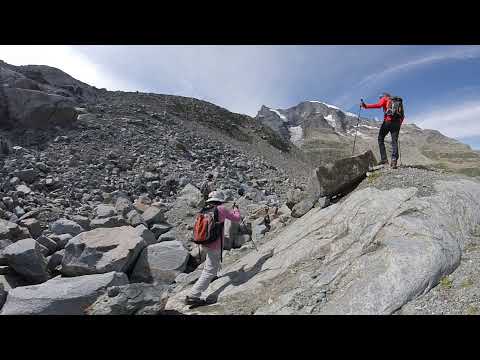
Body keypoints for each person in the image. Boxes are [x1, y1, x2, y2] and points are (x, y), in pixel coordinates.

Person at [185, 190, 241, 306]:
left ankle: (213, 275)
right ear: (220, 200)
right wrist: (236, 209)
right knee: (208, 270)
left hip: (205, 241)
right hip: (215, 243)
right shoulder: (221, 208)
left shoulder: (205, 209)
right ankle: (193, 295)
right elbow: (236, 218)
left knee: (211, 263)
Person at [361, 93, 404, 169]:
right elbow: (402, 115)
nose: (380, 99)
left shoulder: (384, 99)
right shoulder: (398, 102)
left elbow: (379, 105)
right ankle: (394, 161)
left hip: (388, 122)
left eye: (380, 98)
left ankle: (384, 159)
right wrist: (398, 124)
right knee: (394, 141)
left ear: (383, 96)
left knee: (380, 138)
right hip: (397, 123)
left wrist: (366, 106)